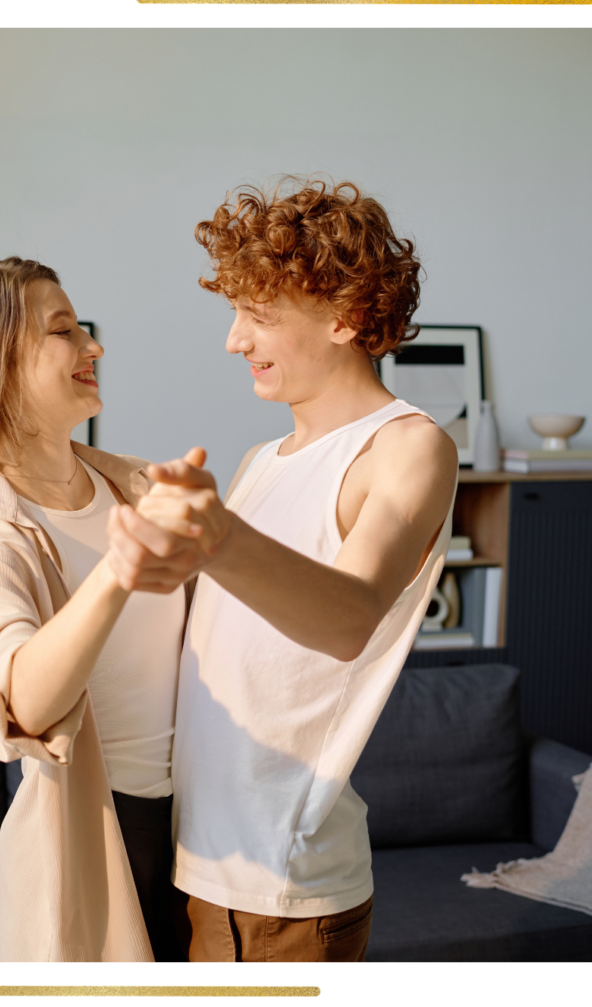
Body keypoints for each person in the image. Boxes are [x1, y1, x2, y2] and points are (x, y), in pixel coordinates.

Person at [105, 177, 460, 962]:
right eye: (236, 314)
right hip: (199, 862)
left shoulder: (407, 446)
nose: (234, 340)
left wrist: (218, 538)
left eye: (258, 316)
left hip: (283, 892)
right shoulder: (260, 460)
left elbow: (347, 619)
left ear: (347, 316)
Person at [0, 257, 192, 962]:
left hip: (199, 823)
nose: (92, 347)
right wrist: (116, 573)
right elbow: (18, 706)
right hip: (96, 840)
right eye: (64, 330)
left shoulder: (134, 486)